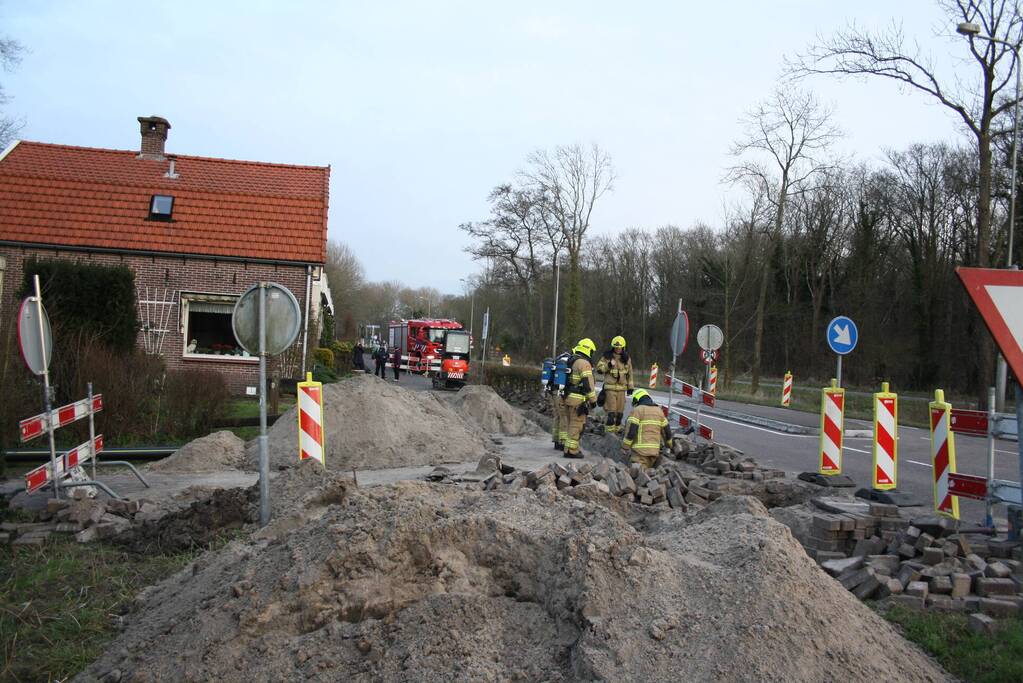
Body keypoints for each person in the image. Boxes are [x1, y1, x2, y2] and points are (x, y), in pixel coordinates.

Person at [560, 338, 598, 459]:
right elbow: (588, 385)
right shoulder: (584, 363)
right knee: (576, 426)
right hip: (577, 400)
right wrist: (593, 401)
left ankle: (569, 448)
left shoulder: (571, 359)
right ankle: (571, 451)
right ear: (588, 350)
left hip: (567, 397)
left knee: (571, 424)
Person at [621, 389, 673, 470]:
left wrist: (625, 447)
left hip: (640, 453)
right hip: (654, 454)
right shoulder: (659, 411)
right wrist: (669, 445)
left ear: (637, 400)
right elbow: (667, 432)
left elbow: (631, 432)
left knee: (638, 476)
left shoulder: (637, 411)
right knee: (649, 477)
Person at [595, 335, 634, 433]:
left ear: (623, 347)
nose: (618, 349)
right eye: (616, 347)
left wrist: (630, 387)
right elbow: (599, 369)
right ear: (613, 347)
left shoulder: (626, 358)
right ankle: (609, 433)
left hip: (621, 389)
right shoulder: (607, 357)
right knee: (611, 413)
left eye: (619, 347)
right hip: (610, 389)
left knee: (620, 413)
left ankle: (616, 431)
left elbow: (630, 374)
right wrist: (608, 365)